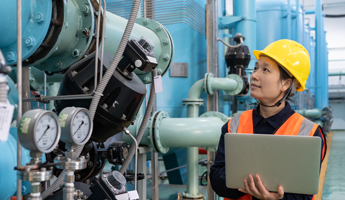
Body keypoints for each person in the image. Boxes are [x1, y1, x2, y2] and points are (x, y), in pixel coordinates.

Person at [209, 39, 326, 200]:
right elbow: (216, 177)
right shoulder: (233, 125)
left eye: (265, 70)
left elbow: (304, 193)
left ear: (285, 83)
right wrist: (245, 185)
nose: (254, 76)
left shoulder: (309, 133)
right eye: (256, 68)